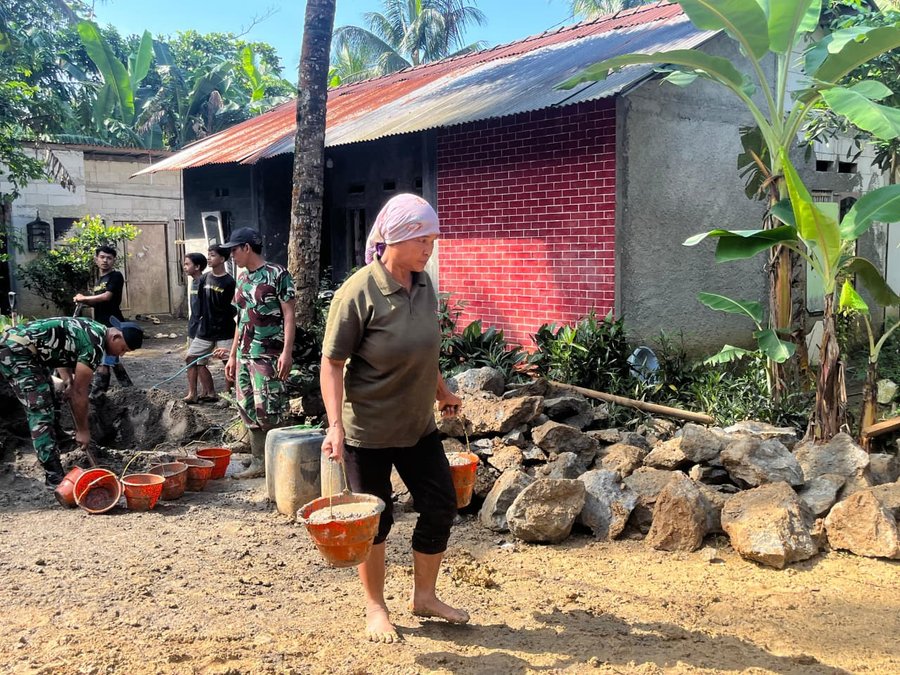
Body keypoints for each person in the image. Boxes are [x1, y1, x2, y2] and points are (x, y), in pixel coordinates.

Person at [320, 193, 466, 644]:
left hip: (417, 426)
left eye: (433, 239)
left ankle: (425, 596)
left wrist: (442, 392)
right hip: (369, 431)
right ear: (396, 238)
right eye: (423, 238)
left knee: (441, 505)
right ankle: (375, 607)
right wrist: (335, 426)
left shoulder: (424, 285)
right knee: (375, 522)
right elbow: (331, 363)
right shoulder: (358, 291)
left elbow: (424, 348)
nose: (430, 247)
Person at [0, 316, 143, 486]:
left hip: (28, 350)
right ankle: (53, 473)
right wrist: (83, 430)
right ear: (116, 337)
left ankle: (57, 437)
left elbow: (59, 346)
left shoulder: (94, 328)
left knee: (50, 393)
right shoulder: (94, 346)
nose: (121, 354)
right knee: (40, 407)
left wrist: (67, 378)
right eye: (123, 349)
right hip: (17, 351)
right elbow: (79, 392)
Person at [222, 228, 296, 479]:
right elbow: (240, 320)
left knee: (270, 406)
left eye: (234, 249)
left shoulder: (278, 274)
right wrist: (232, 356)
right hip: (245, 353)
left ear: (246, 247)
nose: (231, 255)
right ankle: (258, 461)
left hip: (269, 353)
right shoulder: (242, 279)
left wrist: (286, 352)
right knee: (247, 406)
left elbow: (289, 315)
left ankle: (279, 460)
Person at [73, 245, 131, 396]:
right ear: (96, 259)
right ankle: (129, 389)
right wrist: (83, 299)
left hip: (112, 324)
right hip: (101, 323)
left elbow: (107, 297)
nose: (105, 260)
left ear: (114, 260)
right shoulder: (100, 280)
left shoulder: (116, 276)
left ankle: (97, 396)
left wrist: (84, 298)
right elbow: (95, 302)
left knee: (104, 361)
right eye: (102, 257)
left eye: (109, 258)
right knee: (112, 359)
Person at [184, 245, 237, 402]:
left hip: (225, 329)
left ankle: (228, 397)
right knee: (190, 358)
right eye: (208, 255)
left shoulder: (229, 282)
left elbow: (234, 306)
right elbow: (199, 302)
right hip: (205, 329)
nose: (209, 258)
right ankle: (192, 394)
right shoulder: (204, 278)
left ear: (222, 259)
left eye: (212, 255)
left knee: (229, 362)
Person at [182, 252, 209, 403]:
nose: (185, 267)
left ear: (197, 266)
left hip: (200, 329)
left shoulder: (203, 283)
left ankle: (195, 393)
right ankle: (205, 392)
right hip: (193, 327)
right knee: (196, 362)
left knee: (194, 361)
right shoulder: (194, 282)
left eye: (187, 264)